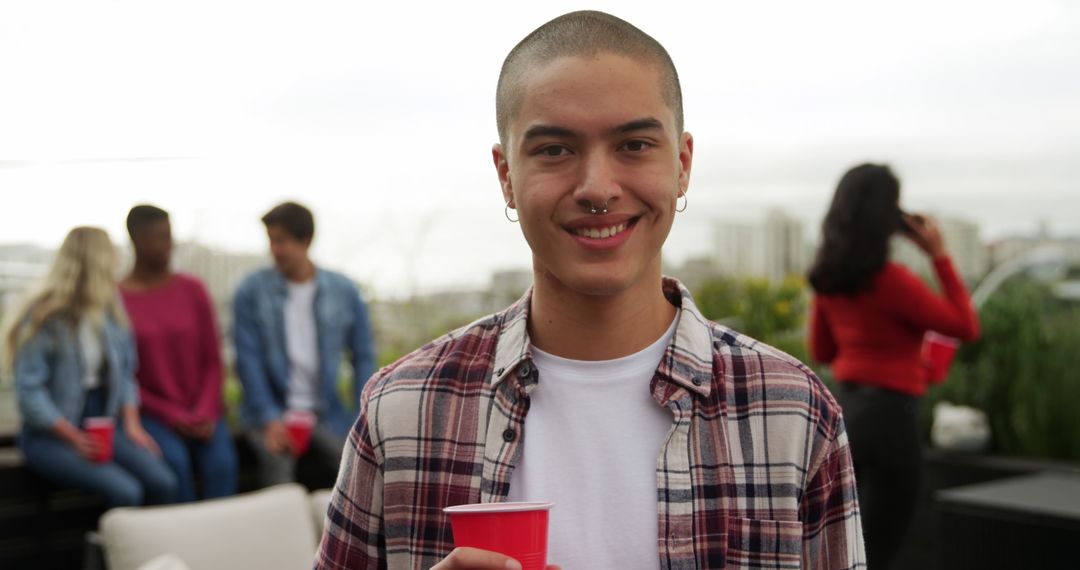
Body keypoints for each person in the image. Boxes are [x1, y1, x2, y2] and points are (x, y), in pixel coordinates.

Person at [316, 11, 864, 570]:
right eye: (555, 150)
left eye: (634, 144)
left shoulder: (790, 412)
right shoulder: (404, 410)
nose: (598, 188)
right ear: (507, 176)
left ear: (682, 165)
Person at [807, 164, 980, 569]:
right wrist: (939, 256)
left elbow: (823, 349)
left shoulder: (829, 279)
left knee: (842, 545)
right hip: (891, 421)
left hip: (847, 416)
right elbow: (965, 326)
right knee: (886, 546)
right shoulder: (891, 280)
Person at [7, 227, 178, 507]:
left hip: (101, 422)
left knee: (163, 482)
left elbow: (125, 372)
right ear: (97, 260)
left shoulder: (109, 307)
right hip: (51, 433)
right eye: (111, 253)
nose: (116, 259)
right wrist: (72, 437)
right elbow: (29, 392)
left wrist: (132, 425)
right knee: (126, 491)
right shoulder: (44, 315)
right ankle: (110, 549)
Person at [232, 201, 376, 487]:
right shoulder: (250, 291)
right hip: (271, 413)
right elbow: (248, 361)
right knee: (277, 472)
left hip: (327, 414)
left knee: (359, 470)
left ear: (305, 240)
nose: (275, 250)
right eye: (271, 241)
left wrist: (362, 414)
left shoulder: (344, 291)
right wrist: (269, 419)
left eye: (281, 241)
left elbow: (363, 356)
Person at [119, 205, 238, 502]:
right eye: (160, 237)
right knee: (175, 466)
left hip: (203, 412)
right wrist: (170, 415)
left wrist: (207, 410)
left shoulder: (192, 289)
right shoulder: (117, 299)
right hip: (153, 415)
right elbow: (123, 377)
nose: (168, 245)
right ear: (136, 239)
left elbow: (212, 359)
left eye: (170, 236)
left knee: (222, 466)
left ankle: (222, 542)